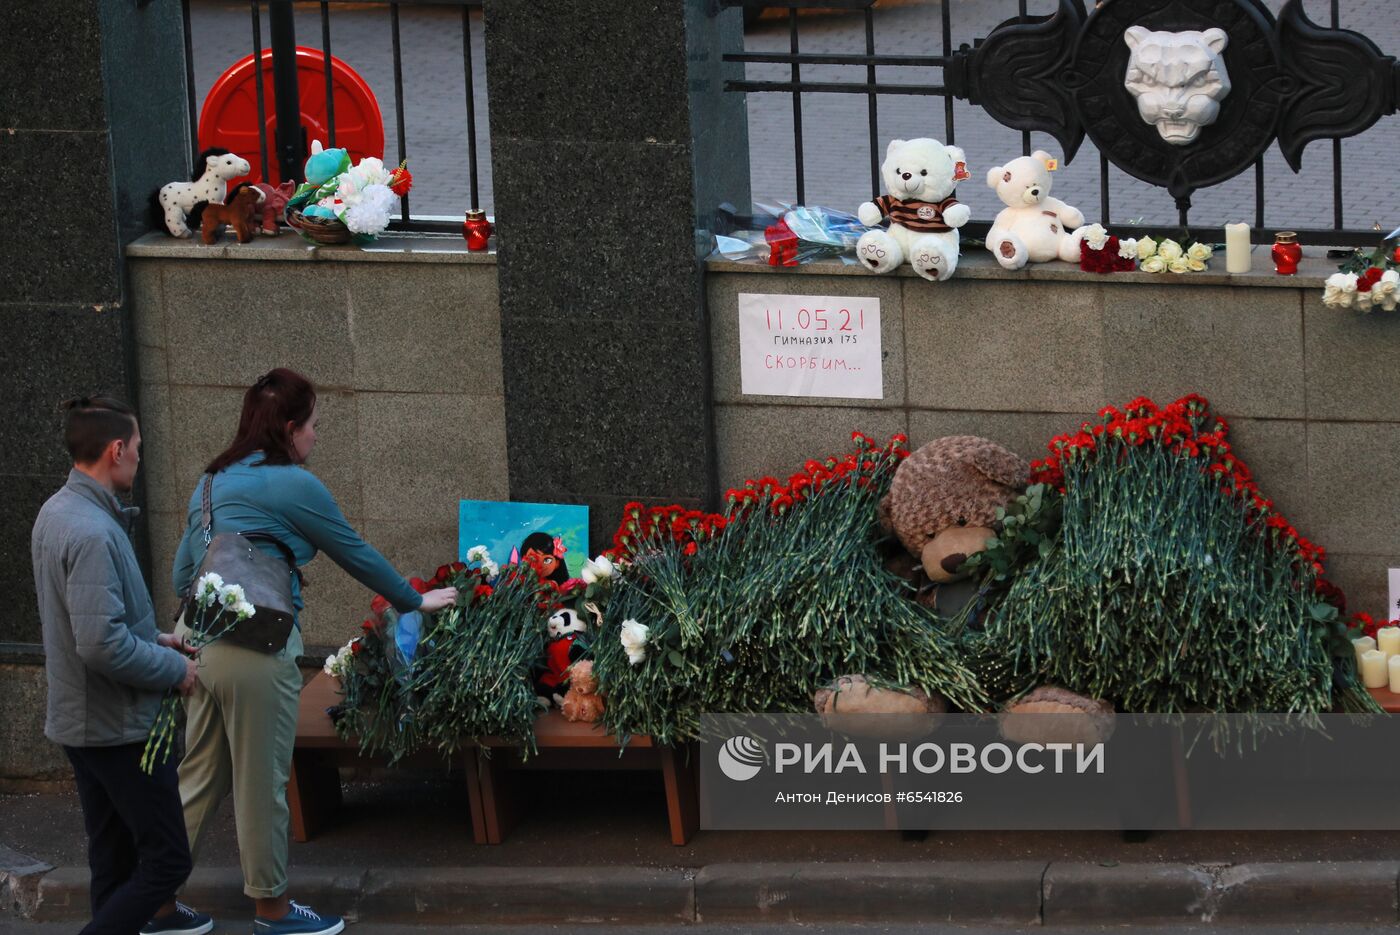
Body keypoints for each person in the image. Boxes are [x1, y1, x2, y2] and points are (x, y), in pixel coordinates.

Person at [170, 368, 457, 935]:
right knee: (261, 783)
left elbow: (183, 571)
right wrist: (411, 601)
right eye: (314, 427)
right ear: (290, 428)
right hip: (256, 650)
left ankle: (153, 901)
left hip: (196, 643)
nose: (317, 438)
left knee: (197, 777)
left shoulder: (209, 483)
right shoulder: (294, 483)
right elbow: (353, 550)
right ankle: (272, 910)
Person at [32, 396, 213, 935]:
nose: (139, 457)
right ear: (115, 450)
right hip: (116, 726)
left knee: (112, 862)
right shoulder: (91, 530)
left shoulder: (56, 512)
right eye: (136, 448)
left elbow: (86, 623)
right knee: (166, 863)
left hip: (85, 721)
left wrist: (154, 638)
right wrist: (172, 668)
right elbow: (100, 645)